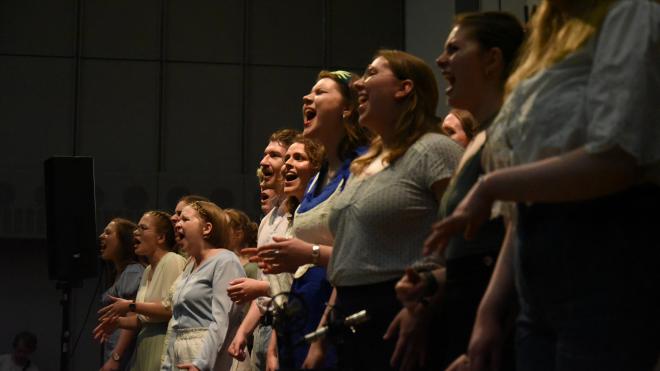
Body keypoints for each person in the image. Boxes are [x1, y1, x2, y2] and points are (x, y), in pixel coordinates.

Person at [427, 1, 660, 370]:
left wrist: (491, 185)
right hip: (535, 278)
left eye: (455, 49)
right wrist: (488, 312)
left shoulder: (629, 12)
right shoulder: (549, 35)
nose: (443, 59)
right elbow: (523, 211)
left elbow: (618, 158)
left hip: (600, 257)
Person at [387, 11, 525, 371]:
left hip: (495, 319)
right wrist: (430, 286)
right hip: (466, 309)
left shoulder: (510, 131)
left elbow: (514, 239)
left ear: (492, 59)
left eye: (454, 49)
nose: (440, 60)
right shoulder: (481, 138)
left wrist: (491, 319)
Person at [325, 50, 463, 371]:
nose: (359, 82)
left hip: (404, 307)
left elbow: (467, 241)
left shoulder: (435, 149)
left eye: (372, 73)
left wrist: (426, 303)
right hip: (350, 313)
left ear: (404, 88)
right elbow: (348, 257)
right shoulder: (362, 165)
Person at [250, 70, 370, 368]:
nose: (306, 97)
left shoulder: (363, 164)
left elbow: (368, 253)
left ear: (347, 108)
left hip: (339, 309)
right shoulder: (319, 179)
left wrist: (309, 254)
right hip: (302, 309)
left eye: (319, 93)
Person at [226, 129, 299, 371]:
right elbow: (263, 296)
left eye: (274, 155)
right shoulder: (267, 222)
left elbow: (295, 282)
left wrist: (259, 287)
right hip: (264, 328)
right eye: (264, 154)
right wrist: (243, 333)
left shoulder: (298, 215)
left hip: (288, 323)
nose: (263, 161)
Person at [263, 136, 327, 370]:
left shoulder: (320, 216)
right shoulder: (291, 216)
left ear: (317, 169)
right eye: (287, 157)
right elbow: (284, 291)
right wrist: (274, 347)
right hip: (290, 321)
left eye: (298, 158)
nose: (288, 164)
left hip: (318, 310)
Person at [95, 211, 186, 371]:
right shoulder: (147, 270)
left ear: (161, 238)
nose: (136, 232)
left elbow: (171, 308)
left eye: (143, 228)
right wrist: (118, 322)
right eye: (136, 228)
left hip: (162, 344)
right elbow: (144, 319)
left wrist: (131, 306)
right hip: (144, 346)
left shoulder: (172, 260)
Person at [161, 201, 246, 371]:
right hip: (181, 354)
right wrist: (167, 365)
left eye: (185, 219)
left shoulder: (225, 260)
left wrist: (202, 364)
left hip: (208, 354)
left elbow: (223, 319)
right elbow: (177, 322)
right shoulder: (190, 267)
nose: (177, 223)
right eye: (178, 220)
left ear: (207, 228)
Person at [98, 218, 145, 370]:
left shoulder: (132, 271)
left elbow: (131, 315)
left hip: (124, 356)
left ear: (123, 240)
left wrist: (115, 358)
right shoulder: (119, 273)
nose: (101, 236)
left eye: (108, 233)